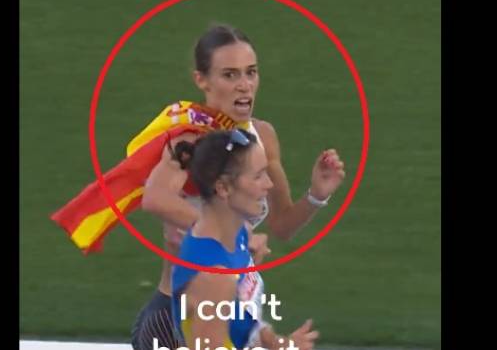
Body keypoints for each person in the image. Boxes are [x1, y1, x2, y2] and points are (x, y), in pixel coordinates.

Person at [131, 25, 345, 350]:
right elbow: (155, 197)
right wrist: (232, 239)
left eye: (251, 72)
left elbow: (281, 225)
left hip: (234, 302)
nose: (244, 85)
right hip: (179, 318)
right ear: (202, 80)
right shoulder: (190, 139)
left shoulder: (261, 138)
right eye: (229, 75)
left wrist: (317, 195)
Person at [171, 129, 319, 349]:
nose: (269, 184)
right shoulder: (214, 279)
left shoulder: (235, 235)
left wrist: (281, 344)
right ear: (223, 187)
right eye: (258, 176)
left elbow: (244, 321)